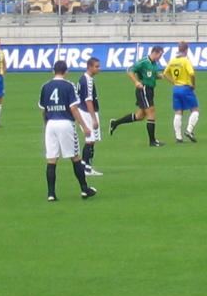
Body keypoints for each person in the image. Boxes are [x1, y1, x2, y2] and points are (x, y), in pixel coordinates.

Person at [39, 60, 97, 201]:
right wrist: (84, 126)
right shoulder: (69, 85)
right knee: (75, 157)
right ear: (66, 71)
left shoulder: (45, 86)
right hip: (65, 123)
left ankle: (51, 194)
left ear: (54, 71)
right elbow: (73, 108)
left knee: (51, 159)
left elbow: (43, 109)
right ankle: (84, 189)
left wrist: (46, 124)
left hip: (51, 124)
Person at [109, 46, 165, 147]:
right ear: (155, 53)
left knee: (140, 116)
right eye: (160, 55)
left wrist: (159, 76)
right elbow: (130, 70)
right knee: (151, 112)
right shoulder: (144, 61)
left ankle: (115, 123)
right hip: (144, 89)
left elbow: (150, 75)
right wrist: (136, 82)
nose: (160, 58)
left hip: (150, 90)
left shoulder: (154, 63)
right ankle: (152, 141)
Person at [162, 41, 200, 143]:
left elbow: (165, 73)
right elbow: (192, 74)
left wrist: (173, 82)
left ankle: (178, 137)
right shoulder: (185, 61)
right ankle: (189, 130)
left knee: (178, 112)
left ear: (178, 49)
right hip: (186, 88)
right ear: (186, 50)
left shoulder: (173, 61)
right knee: (195, 110)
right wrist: (193, 84)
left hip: (176, 89)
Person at [77, 57, 104, 176]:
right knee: (90, 140)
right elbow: (88, 100)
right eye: (96, 66)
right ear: (90, 67)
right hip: (87, 112)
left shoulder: (83, 78)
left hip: (83, 110)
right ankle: (87, 168)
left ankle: (85, 166)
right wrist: (93, 118)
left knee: (91, 140)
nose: (99, 69)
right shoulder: (87, 80)